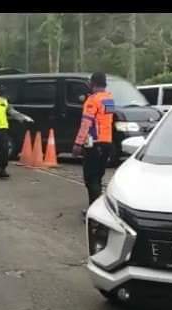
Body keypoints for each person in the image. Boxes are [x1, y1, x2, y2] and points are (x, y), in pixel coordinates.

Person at [72, 72, 115, 215]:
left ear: (93, 83)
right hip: (107, 142)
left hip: (94, 144)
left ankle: (95, 212)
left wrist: (78, 143)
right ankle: (98, 209)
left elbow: (86, 123)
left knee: (91, 178)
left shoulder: (92, 100)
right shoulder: (109, 99)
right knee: (98, 176)